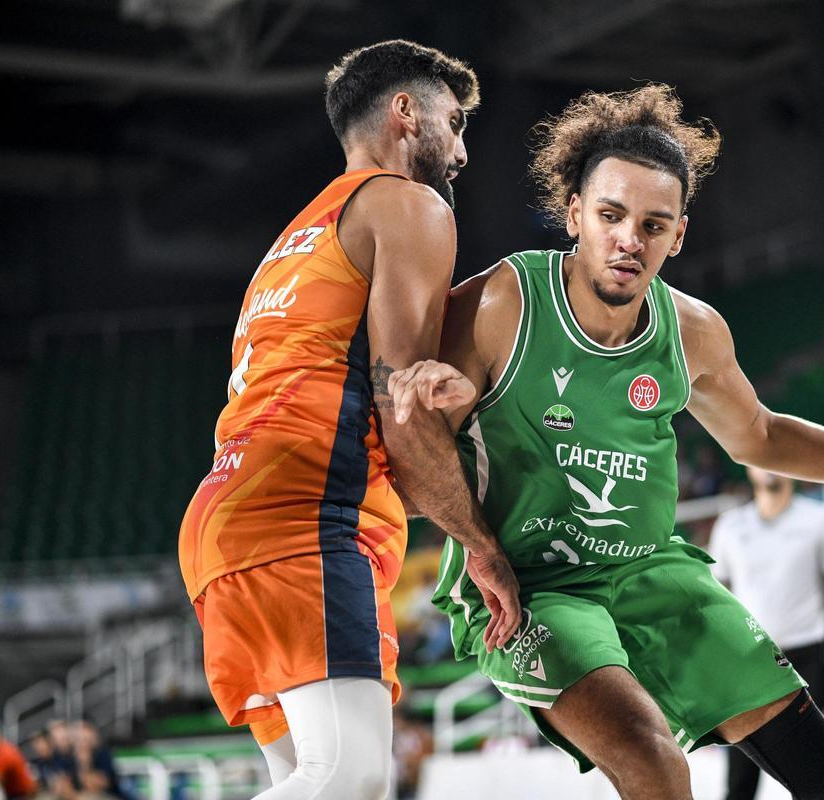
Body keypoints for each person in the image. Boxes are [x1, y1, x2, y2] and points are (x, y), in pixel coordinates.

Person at [390, 84, 824, 800]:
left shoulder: (694, 331)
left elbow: (758, 434)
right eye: (610, 215)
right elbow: (411, 447)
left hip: (651, 576)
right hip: (530, 586)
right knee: (658, 768)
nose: (630, 238)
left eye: (653, 224)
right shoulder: (502, 303)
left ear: (679, 235)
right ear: (574, 214)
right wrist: (478, 544)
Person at [176, 39, 520, 800]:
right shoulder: (406, 204)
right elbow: (402, 409)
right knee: (353, 777)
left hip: (224, 523)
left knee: (309, 782)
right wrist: (481, 548)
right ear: (405, 113)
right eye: (454, 123)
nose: (461, 150)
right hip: (304, 513)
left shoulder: (291, 239)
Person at [708, 468, 824, 800]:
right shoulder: (730, 525)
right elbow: (713, 603)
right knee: (739, 780)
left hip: (806, 658)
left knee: (818, 775)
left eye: (774, 458)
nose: (767, 466)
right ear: (747, 466)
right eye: (758, 459)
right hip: (747, 660)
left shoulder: (820, 519)